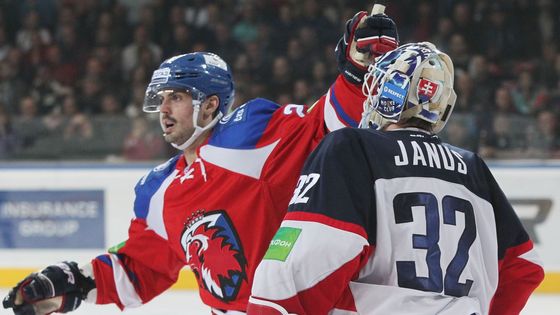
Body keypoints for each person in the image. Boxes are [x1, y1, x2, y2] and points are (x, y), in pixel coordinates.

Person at [2, 9, 399, 315]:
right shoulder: (158, 190)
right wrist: (66, 284)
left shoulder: (249, 136)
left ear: (209, 105)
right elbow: (138, 268)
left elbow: (324, 123)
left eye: (175, 97)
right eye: (161, 100)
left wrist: (358, 71)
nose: (163, 109)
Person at [247, 42, 544, 315]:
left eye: (377, 85)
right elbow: (523, 267)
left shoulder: (353, 147)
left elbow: (305, 267)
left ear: (392, 93)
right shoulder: (472, 167)